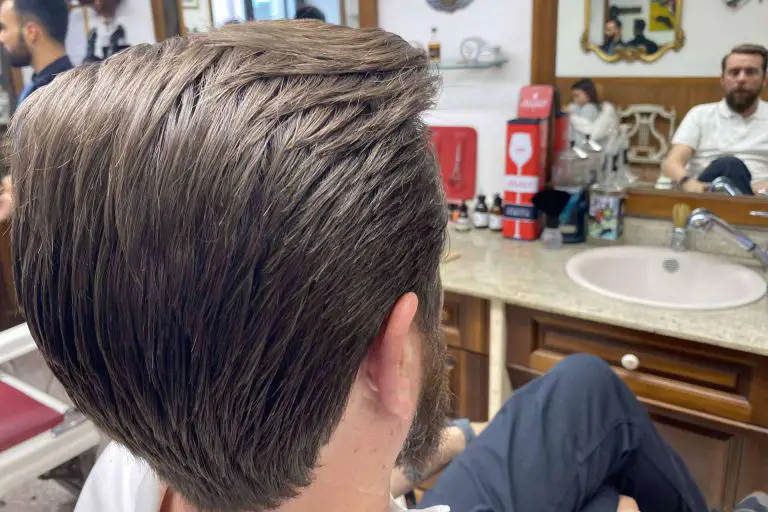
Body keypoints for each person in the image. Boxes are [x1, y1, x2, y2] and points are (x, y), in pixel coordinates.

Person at [7, 20, 760, 512]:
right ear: (396, 355)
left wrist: (458, 438)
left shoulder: (125, 470)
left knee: (582, 389)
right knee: (592, 409)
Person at [662, 44, 768, 195]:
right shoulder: (699, 114)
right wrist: (688, 182)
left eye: (750, 72)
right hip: (707, 195)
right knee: (729, 164)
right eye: (734, 72)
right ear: (722, 79)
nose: (741, 79)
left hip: (757, 199)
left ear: (764, 80)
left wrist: (762, 189)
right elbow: (671, 163)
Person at [0, 0, 71, 105]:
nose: (1, 38)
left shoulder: (59, 97)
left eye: (4, 28)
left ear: (31, 32)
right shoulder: (39, 87)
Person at [568, 78, 620, 149]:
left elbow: (593, 135)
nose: (574, 99)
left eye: (577, 96)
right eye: (573, 97)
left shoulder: (606, 111)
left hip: (604, 150)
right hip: (587, 149)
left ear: (588, 94)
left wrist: (571, 117)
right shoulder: (579, 108)